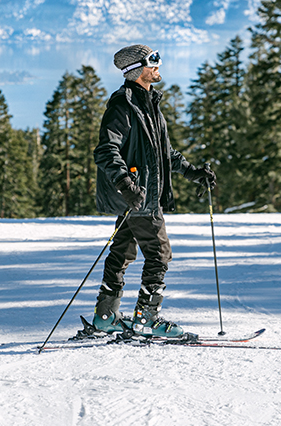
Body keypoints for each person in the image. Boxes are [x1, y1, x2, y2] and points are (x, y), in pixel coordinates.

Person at [90, 44, 216, 338]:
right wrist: (126, 185)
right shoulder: (123, 105)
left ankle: (106, 316)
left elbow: (165, 153)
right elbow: (106, 151)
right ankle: (147, 319)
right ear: (137, 69)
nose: (158, 65)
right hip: (139, 197)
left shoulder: (149, 103)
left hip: (139, 196)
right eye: (152, 61)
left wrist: (193, 172)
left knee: (121, 252)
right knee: (159, 255)